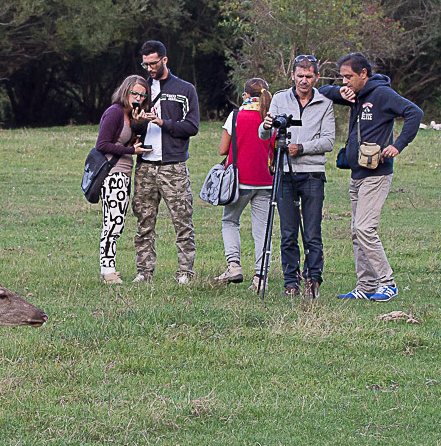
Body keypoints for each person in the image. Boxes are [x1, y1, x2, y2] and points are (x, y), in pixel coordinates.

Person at [319, 52, 422, 302]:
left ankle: (388, 283)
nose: (345, 82)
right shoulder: (354, 95)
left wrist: (398, 145)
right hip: (357, 174)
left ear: (364, 74)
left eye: (348, 77)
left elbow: (414, 113)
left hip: (377, 175)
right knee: (356, 231)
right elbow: (323, 90)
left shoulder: (382, 94)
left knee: (365, 227)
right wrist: (339, 91)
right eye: (342, 77)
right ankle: (365, 286)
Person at [260, 55, 335, 298]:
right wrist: (267, 125)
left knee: (312, 231)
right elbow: (264, 134)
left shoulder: (324, 102)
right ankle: (290, 282)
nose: (304, 80)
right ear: (292, 75)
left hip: (312, 172)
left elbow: (329, 141)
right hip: (284, 171)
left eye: (309, 76)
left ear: (316, 77)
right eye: (300, 76)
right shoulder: (280, 99)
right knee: (288, 231)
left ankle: (313, 279)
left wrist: (301, 148)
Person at [131, 40, 200, 284]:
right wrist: (139, 121)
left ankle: (185, 271)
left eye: (153, 63)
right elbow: (130, 126)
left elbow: (192, 126)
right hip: (145, 165)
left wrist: (164, 123)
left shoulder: (185, 89)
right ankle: (144, 271)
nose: (149, 68)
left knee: (182, 220)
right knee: (144, 222)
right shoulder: (141, 88)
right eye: (145, 64)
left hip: (173, 165)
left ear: (164, 60)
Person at [214, 78, 274, 292]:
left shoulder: (236, 116)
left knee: (230, 221)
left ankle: (234, 265)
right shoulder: (271, 117)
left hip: (239, 180)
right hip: (266, 180)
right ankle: (260, 277)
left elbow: (223, 149)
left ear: (246, 96)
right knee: (262, 231)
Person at [95, 75, 153, 284]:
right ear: (125, 91)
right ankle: (108, 269)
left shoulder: (130, 115)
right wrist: (131, 150)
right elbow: (101, 144)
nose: (137, 97)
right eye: (134, 93)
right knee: (113, 222)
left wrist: (138, 126)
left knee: (117, 221)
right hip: (113, 173)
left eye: (142, 95)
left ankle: (108, 266)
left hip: (124, 174)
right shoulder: (114, 112)